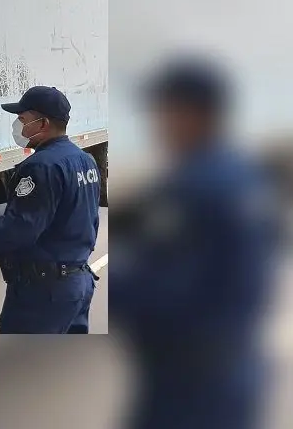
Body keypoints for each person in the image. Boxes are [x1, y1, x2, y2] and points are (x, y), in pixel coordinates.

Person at [111, 58, 280, 429]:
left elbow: (167, 291)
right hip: (233, 370)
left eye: (165, 111)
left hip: (191, 383)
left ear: (196, 114)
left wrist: (111, 289)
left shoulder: (193, 188)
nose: (158, 123)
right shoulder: (241, 173)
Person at [0, 86, 101, 333]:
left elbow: (18, 229)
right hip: (77, 284)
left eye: (22, 119)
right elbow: (91, 220)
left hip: (44, 294)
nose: (18, 126)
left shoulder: (41, 167)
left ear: (43, 123)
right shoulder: (85, 160)